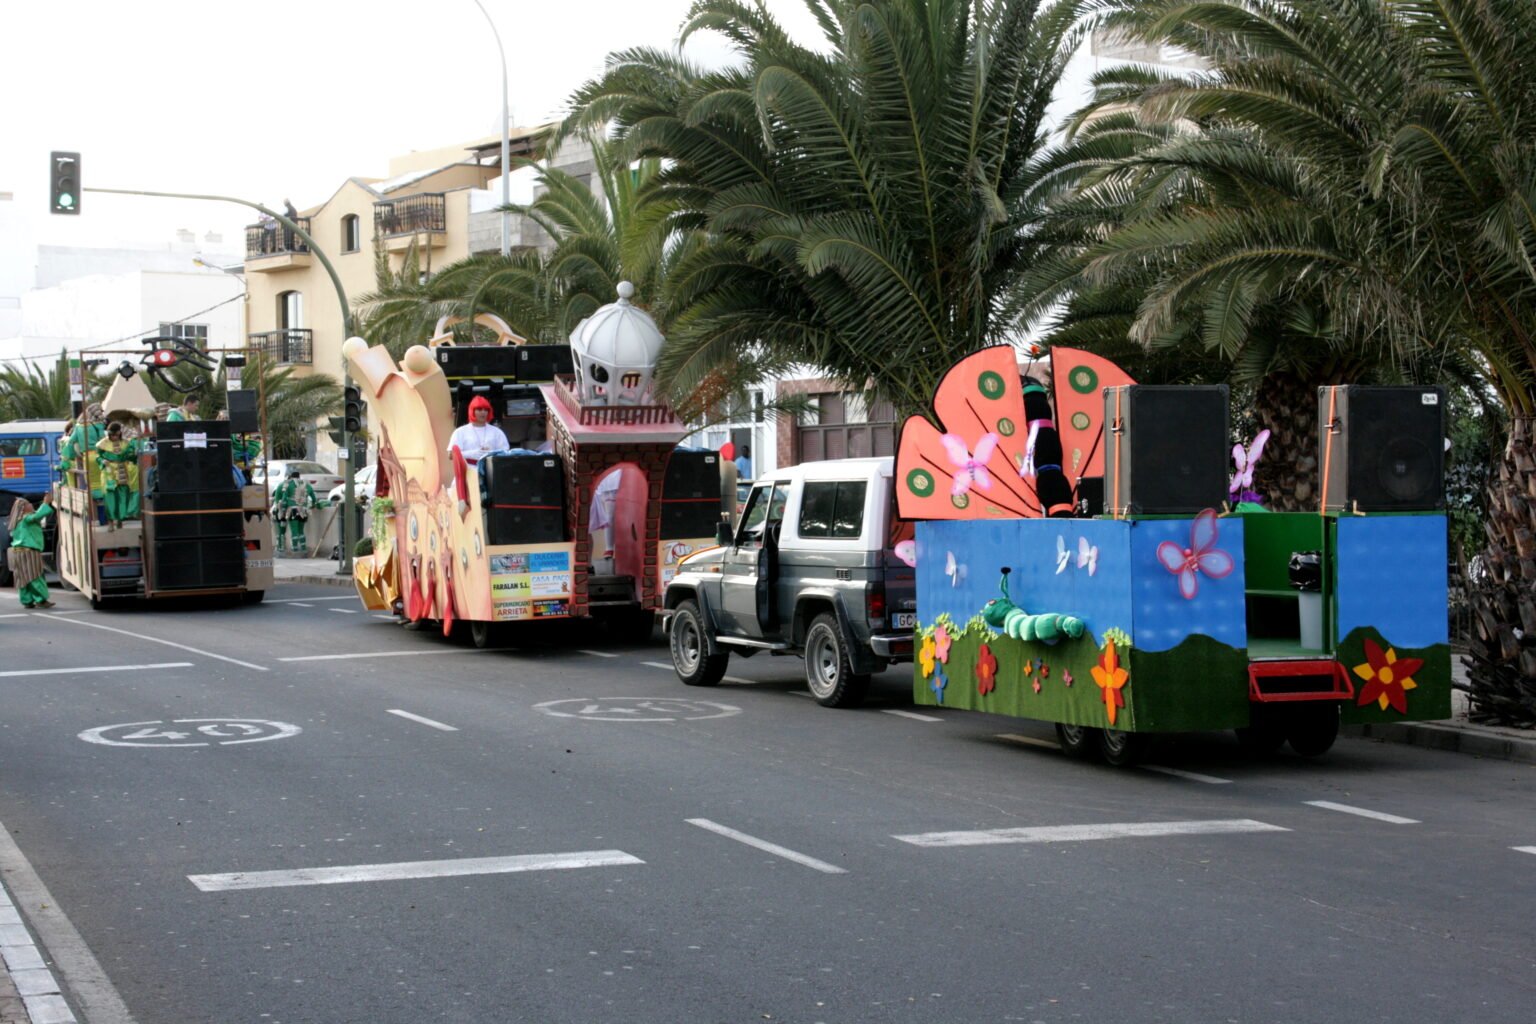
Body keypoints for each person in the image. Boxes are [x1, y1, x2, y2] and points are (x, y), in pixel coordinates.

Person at [447, 395, 509, 512]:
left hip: (490, 473)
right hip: (468, 472)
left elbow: (506, 454)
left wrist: (492, 454)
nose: (483, 412)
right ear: (472, 411)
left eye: (486, 410)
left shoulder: (497, 432)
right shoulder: (461, 432)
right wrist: (470, 453)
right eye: (479, 409)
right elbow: (451, 454)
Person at [7, 496, 55, 608]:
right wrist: (45, 503)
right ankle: (41, 599)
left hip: (18, 553)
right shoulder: (26, 518)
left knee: (22, 578)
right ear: (23, 508)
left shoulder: (18, 520)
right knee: (35, 576)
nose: (31, 505)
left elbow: (36, 515)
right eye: (28, 504)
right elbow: (37, 516)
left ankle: (27, 601)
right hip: (29, 552)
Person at [94, 421, 140, 528]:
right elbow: (98, 457)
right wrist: (102, 461)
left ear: (120, 433)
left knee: (123, 497)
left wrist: (135, 454)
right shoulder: (102, 444)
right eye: (112, 435)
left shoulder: (126, 443)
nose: (114, 437)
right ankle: (110, 521)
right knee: (110, 499)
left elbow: (131, 456)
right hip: (109, 474)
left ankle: (120, 519)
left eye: (116, 434)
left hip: (122, 472)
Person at [271, 465, 323, 555]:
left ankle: (293, 550)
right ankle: (303, 548)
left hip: (292, 511)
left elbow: (282, 499)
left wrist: (282, 510)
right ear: (299, 476)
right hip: (304, 511)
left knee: (292, 530)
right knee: (301, 531)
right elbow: (314, 498)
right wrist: (315, 504)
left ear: (290, 476)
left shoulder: (287, 484)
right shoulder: (306, 485)